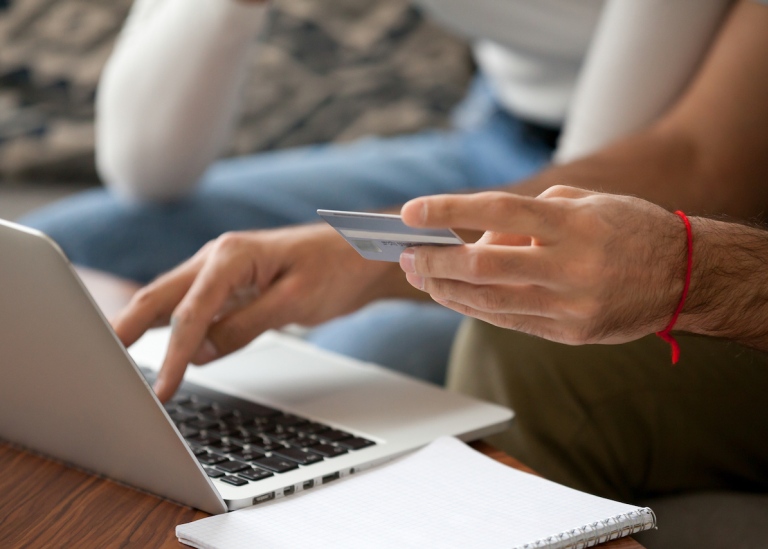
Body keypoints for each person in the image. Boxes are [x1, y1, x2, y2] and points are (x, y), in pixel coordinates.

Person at [20, 0, 738, 384]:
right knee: (57, 253)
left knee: (367, 346)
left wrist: (365, 253)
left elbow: (573, 220)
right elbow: (148, 168)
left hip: (641, 179)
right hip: (490, 136)